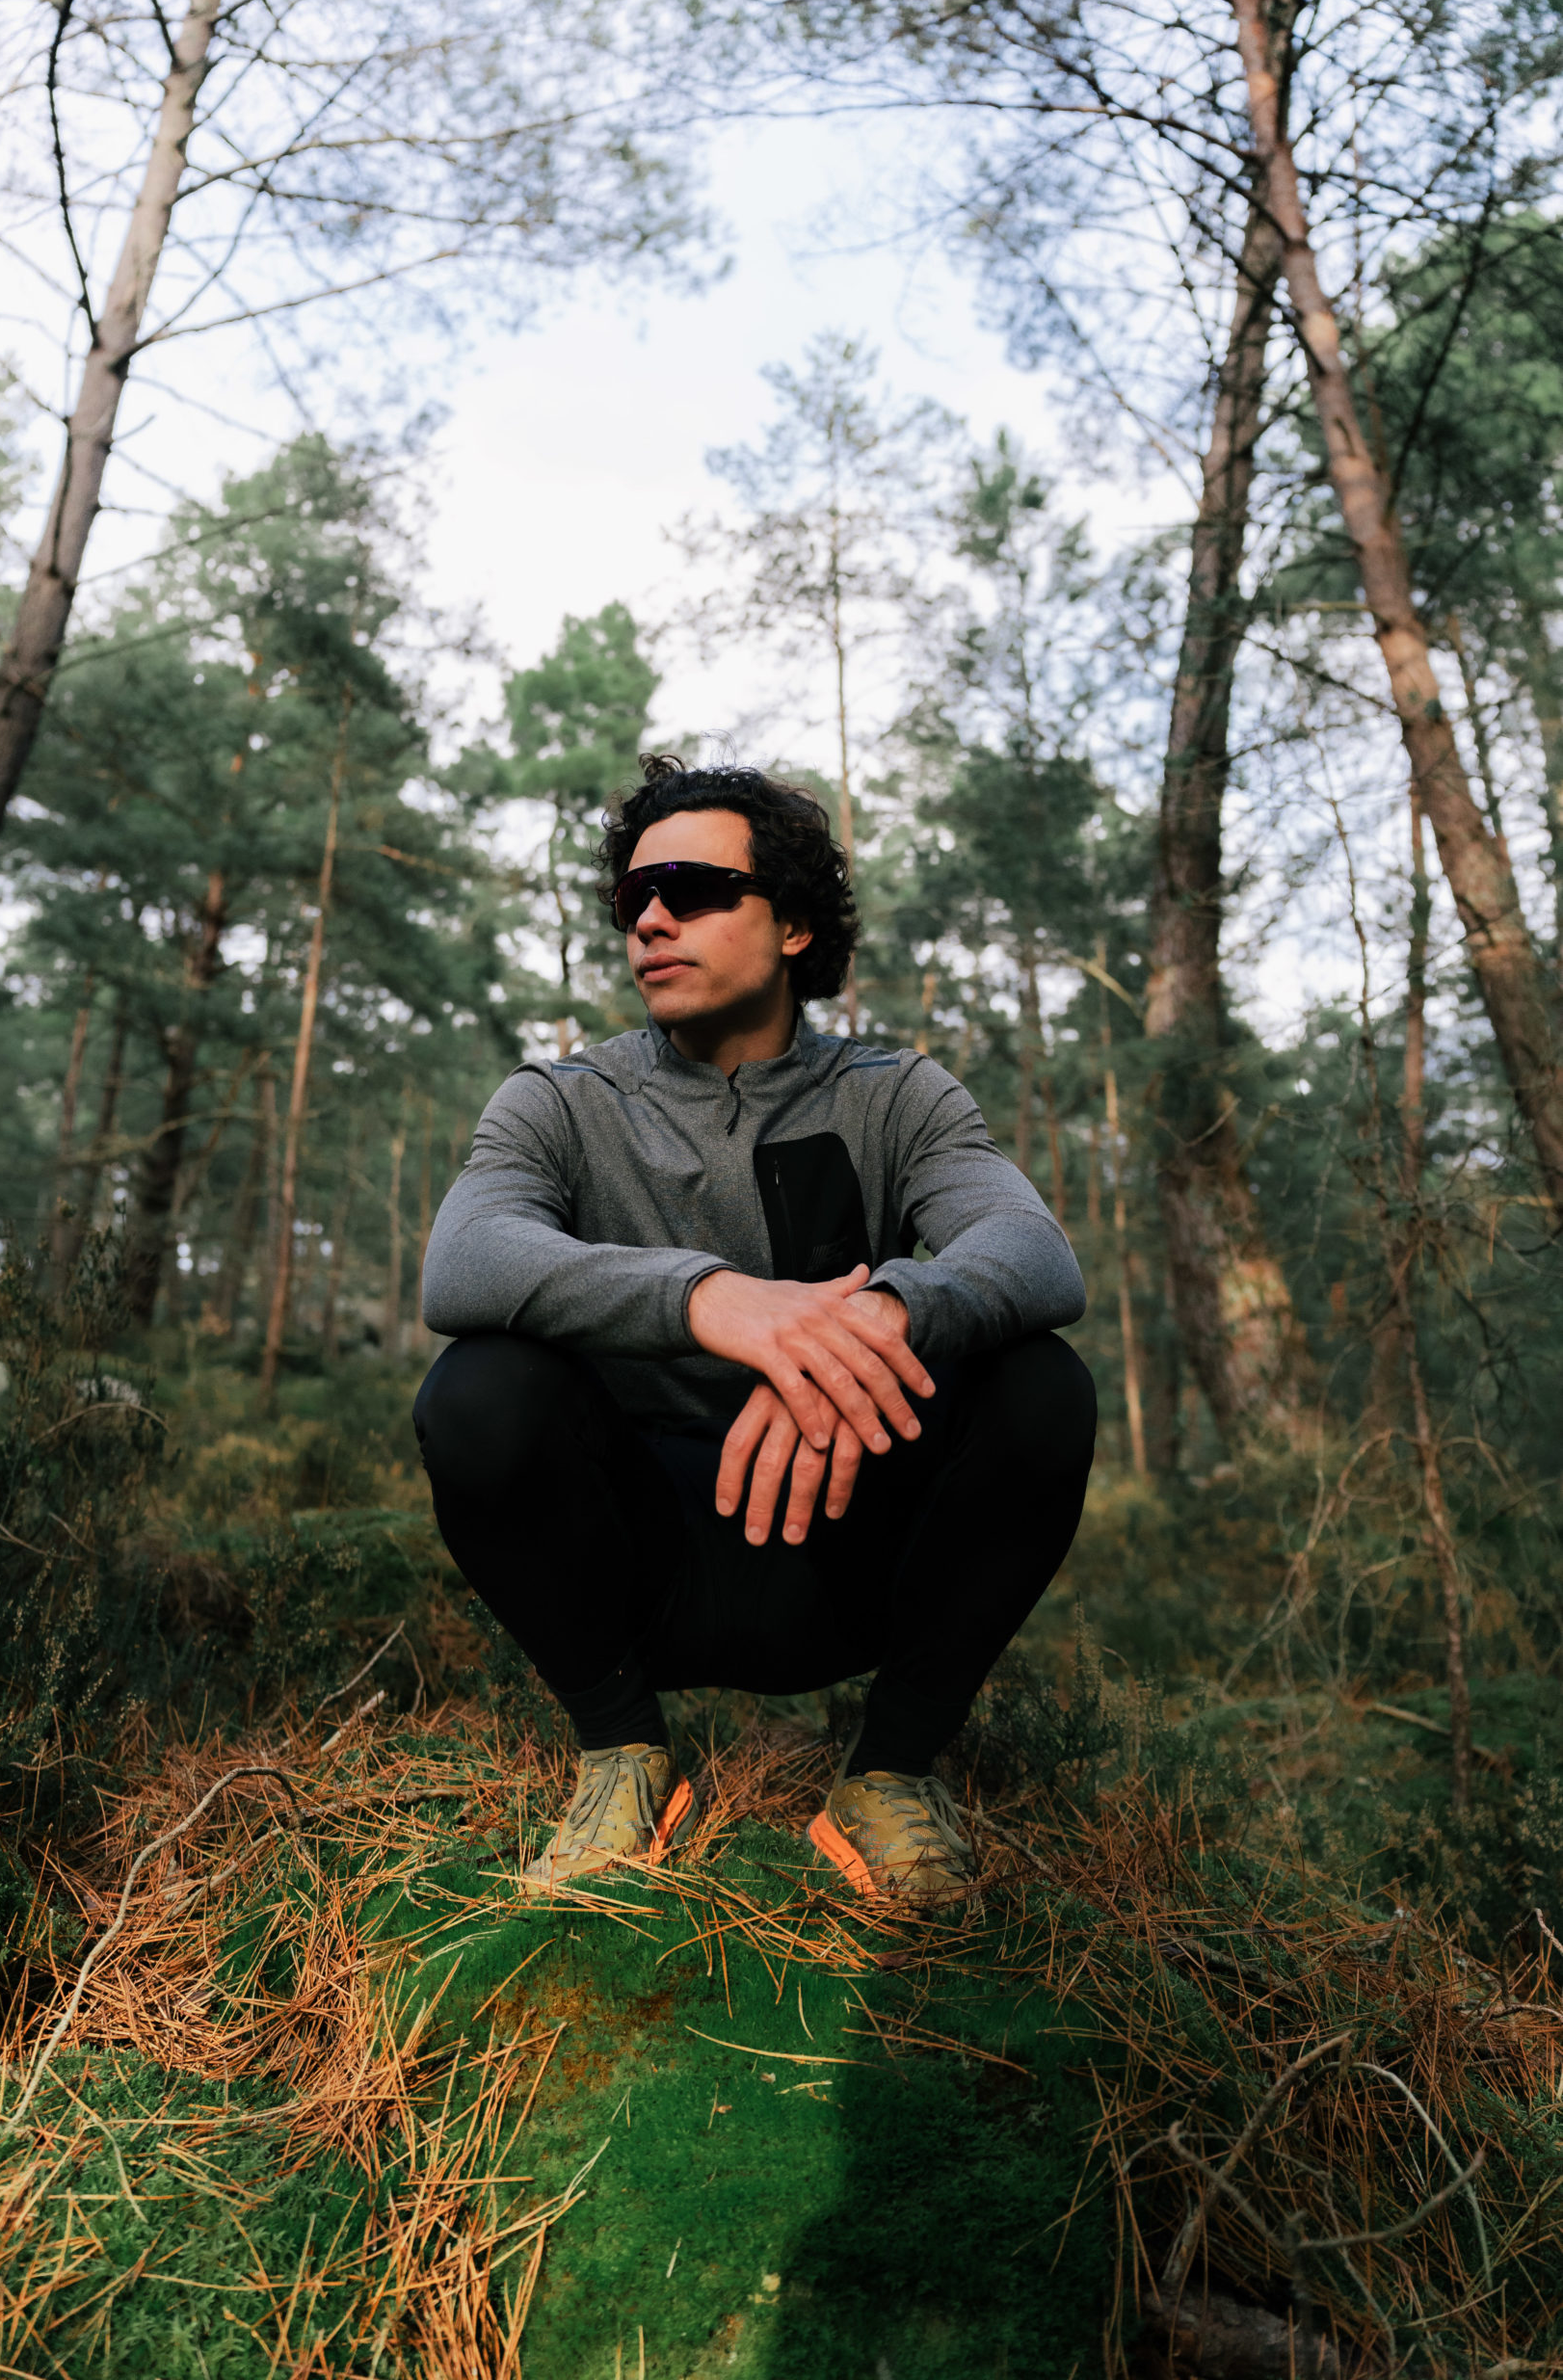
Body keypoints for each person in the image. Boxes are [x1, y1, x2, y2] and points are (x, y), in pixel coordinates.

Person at [414, 755, 1095, 1906]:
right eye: (632, 898)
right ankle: (623, 1755)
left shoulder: (897, 1095)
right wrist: (713, 1300)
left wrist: (865, 1324)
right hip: (641, 1557)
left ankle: (890, 1774)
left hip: (846, 1544)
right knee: (477, 1388)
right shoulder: (559, 1101)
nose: (652, 920)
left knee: (1042, 1384)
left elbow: (1034, 1252)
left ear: (792, 925)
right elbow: (465, 1258)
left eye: (691, 889)